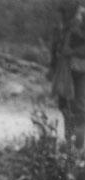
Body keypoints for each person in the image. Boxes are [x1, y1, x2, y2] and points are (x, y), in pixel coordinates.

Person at [49, 1, 85, 147]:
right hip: (64, 69)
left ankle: (78, 147)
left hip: (79, 69)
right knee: (65, 106)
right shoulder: (63, 21)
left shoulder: (80, 18)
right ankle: (71, 145)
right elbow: (55, 45)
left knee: (79, 108)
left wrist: (72, 52)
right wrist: (52, 66)